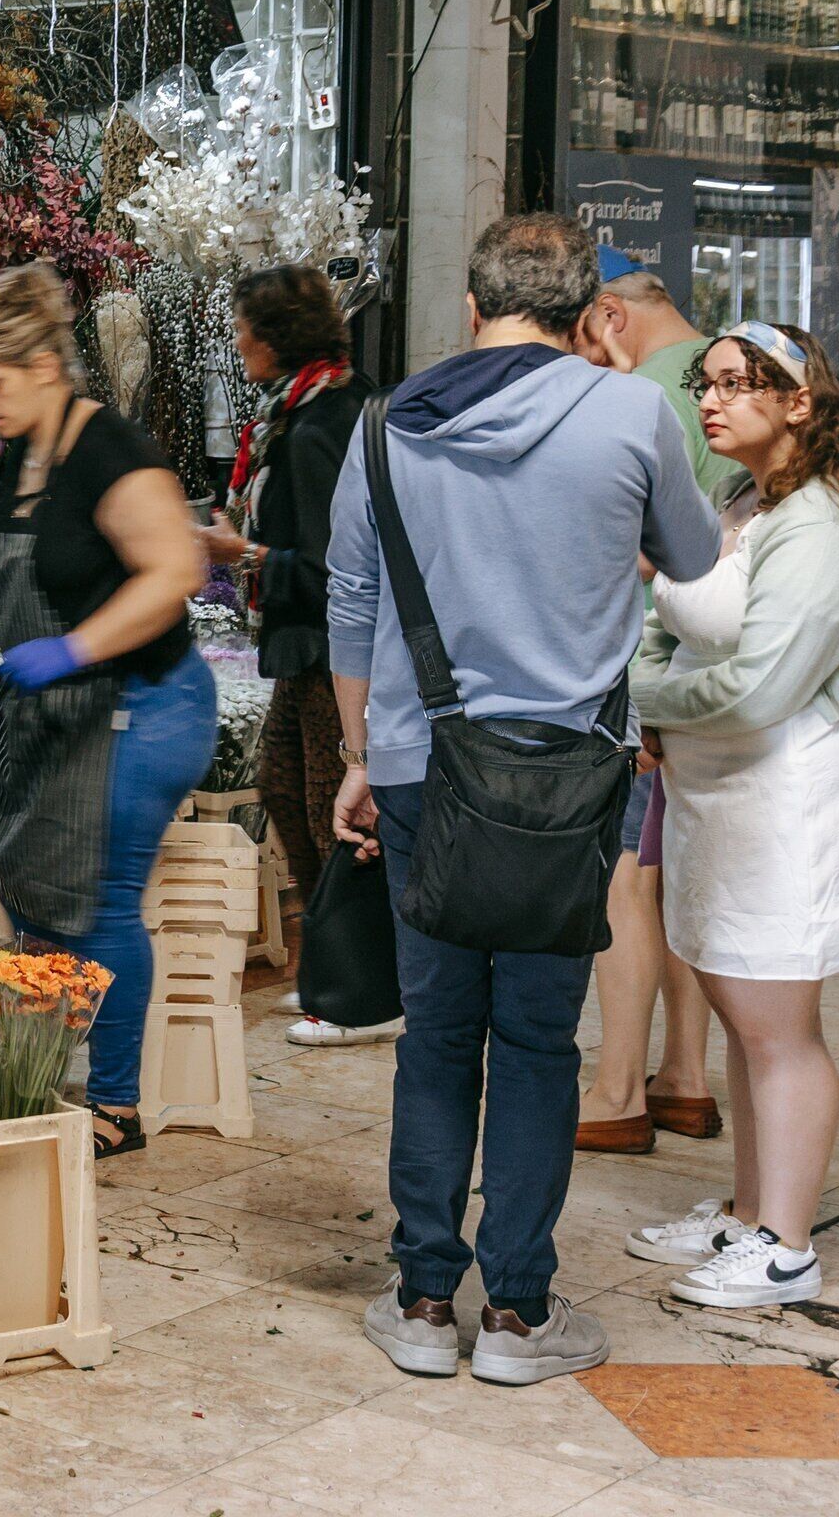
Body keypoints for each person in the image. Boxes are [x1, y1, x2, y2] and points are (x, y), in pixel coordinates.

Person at [327, 214, 722, 1385]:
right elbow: (695, 565)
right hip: (570, 772)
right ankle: (519, 1317)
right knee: (540, 1039)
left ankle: (421, 1302)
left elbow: (352, 605)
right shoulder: (635, 413)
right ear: (590, 314)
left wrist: (357, 754)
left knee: (438, 1034)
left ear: (469, 306)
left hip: (414, 765)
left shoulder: (384, 424)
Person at [622, 321, 839, 1310]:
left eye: (742, 383)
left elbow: (755, 691)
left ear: (799, 403)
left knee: (779, 1025)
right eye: (708, 381)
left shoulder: (822, 529)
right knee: (744, 1015)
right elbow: (662, 625)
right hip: (714, 792)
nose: (712, 398)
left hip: (789, 801)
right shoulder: (734, 500)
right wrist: (653, 696)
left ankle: (786, 1246)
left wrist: (641, 704)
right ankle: (749, 1211)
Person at [0, 262, 215, 1157]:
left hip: (144, 707)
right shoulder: (27, 447)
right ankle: (48, 1078)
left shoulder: (111, 451)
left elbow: (175, 573)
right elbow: (18, 531)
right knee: (42, 898)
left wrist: (75, 648)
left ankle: (114, 1106)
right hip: (72, 708)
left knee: (100, 903)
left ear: (44, 364)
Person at [194, 263, 384, 1044]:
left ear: (276, 340)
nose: (238, 343)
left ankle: (360, 993)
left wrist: (244, 553)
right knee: (284, 790)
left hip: (329, 650)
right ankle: (327, 971)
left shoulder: (320, 426)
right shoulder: (308, 407)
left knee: (326, 813)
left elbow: (340, 564)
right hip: (305, 646)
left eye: (246, 329)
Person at [573, 253, 734, 1154]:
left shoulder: (652, 397)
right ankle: (684, 1077)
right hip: (714, 671)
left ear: (608, 316)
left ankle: (617, 1087)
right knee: (674, 878)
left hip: (646, 663)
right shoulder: (730, 367)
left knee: (623, 882)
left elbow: (646, 547)